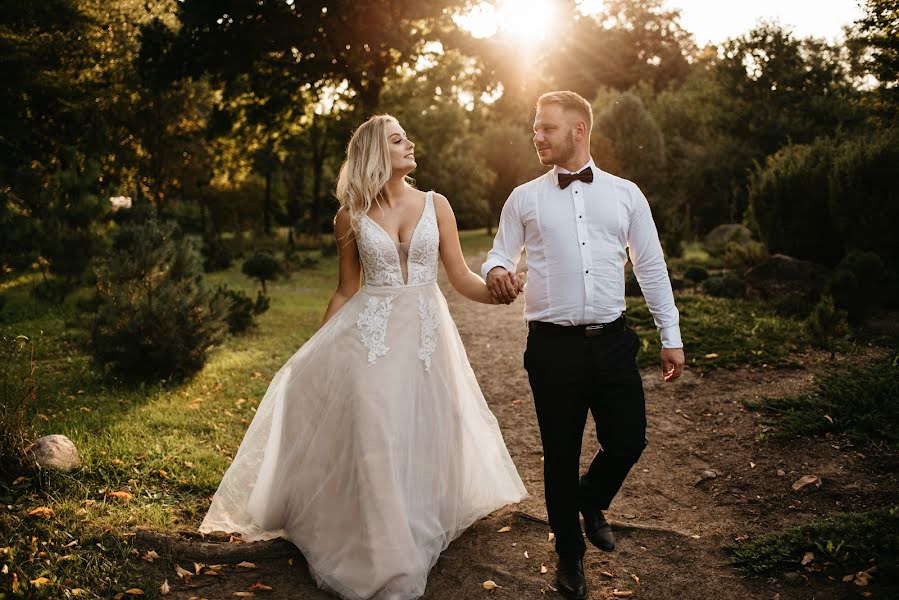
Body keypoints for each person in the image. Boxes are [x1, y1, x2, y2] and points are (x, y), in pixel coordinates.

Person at [200, 114, 527, 600]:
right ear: (376, 152)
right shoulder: (349, 216)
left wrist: (498, 294)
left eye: (407, 137)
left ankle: (418, 518)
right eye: (398, 139)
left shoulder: (437, 205)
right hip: (370, 337)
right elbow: (345, 290)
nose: (410, 143)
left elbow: (458, 278)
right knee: (376, 432)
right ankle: (386, 553)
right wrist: (315, 353)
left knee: (420, 429)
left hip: (425, 338)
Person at [482, 91, 685, 600]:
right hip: (552, 349)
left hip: (613, 342)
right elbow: (497, 256)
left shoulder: (625, 194)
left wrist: (671, 336)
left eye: (547, 127)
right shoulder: (523, 197)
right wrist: (500, 269)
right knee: (559, 453)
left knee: (629, 439)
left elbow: (651, 267)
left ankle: (590, 500)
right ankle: (570, 558)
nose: (537, 136)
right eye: (535, 127)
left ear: (578, 130)